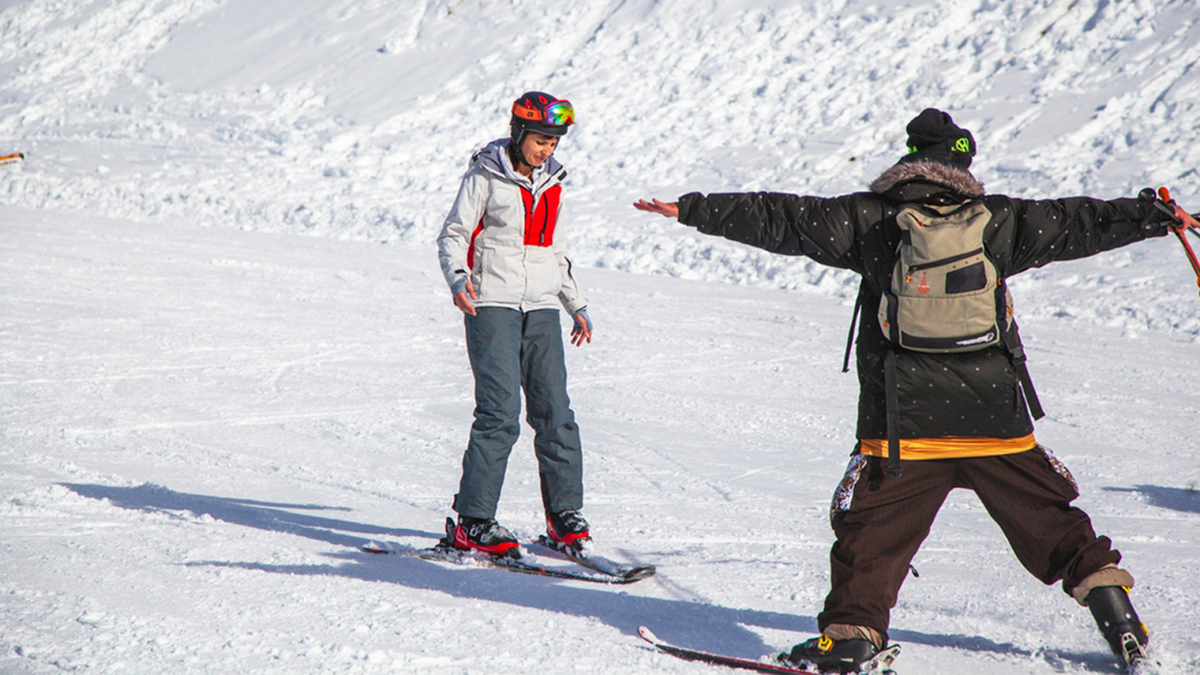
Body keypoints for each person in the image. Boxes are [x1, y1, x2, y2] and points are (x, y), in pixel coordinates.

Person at [634, 109, 1182, 672]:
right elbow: (1075, 223)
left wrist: (694, 209)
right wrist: (1152, 215)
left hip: (903, 427)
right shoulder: (998, 221)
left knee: (871, 538)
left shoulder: (869, 218)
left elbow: (783, 217)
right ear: (962, 166)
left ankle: (851, 638)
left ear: (910, 159)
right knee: (1052, 520)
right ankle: (1119, 619)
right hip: (993, 421)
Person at [437, 91, 594, 559]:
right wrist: (458, 280)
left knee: (556, 415)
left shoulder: (554, 185)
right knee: (500, 414)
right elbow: (454, 234)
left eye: (555, 141)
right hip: (492, 304)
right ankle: (474, 520)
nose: (548, 149)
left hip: (542, 306)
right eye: (542, 139)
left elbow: (555, 253)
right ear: (520, 132)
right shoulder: (485, 176)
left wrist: (576, 304)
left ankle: (564, 517)